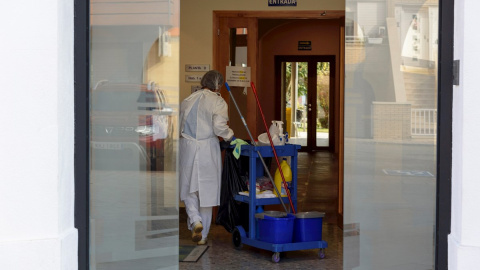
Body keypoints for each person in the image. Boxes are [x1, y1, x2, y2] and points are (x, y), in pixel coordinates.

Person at [179, 70, 235, 245]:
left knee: (189, 188)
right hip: (207, 149)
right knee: (207, 191)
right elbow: (219, 127)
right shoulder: (218, 102)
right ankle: (202, 237)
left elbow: (179, 124)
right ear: (218, 85)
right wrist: (231, 136)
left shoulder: (188, 100)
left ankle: (195, 220)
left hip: (187, 147)